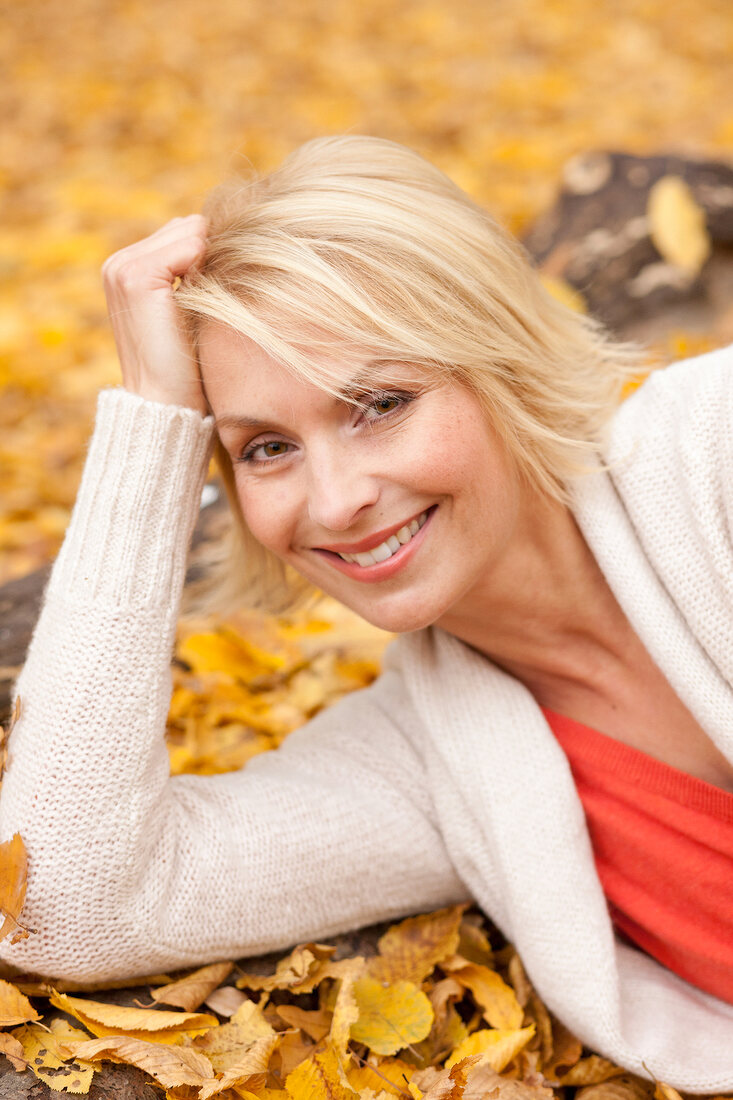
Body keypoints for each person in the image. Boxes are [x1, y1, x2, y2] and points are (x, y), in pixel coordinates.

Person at [1, 134, 732, 1090]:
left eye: (379, 402)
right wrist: (151, 421)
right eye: (265, 448)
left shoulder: (708, 454)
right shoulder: (435, 759)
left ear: (498, 361)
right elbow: (60, 900)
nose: (336, 498)